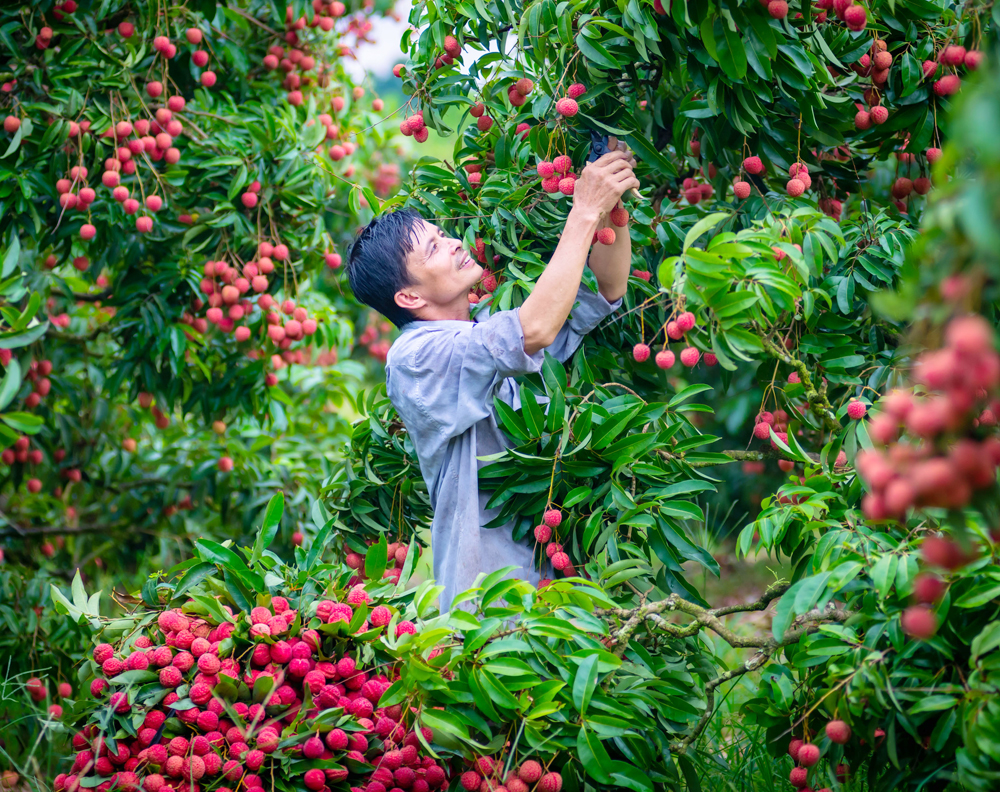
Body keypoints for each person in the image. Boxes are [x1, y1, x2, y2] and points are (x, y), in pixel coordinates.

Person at [346, 146, 639, 611]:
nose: (454, 243)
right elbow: (536, 327)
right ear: (407, 296)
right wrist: (582, 210)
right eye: (434, 248)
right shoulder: (415, 358)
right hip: (488, 606)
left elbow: (607, 290)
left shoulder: (485, 327)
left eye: (444, 234)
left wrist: (611, 212)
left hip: (559, 586)